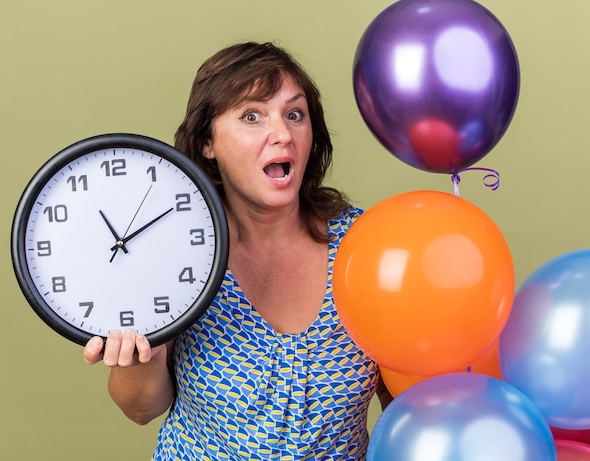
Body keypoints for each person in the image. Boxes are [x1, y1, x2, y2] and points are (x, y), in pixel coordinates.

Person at [84, 41, 391, 460]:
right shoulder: (174, 250)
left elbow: (405, 401)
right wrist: (144, 358)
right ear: (207, 142)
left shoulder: (368, 246)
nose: (282, 133)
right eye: (252, 116)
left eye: (294, 114)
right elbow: (141, 409)